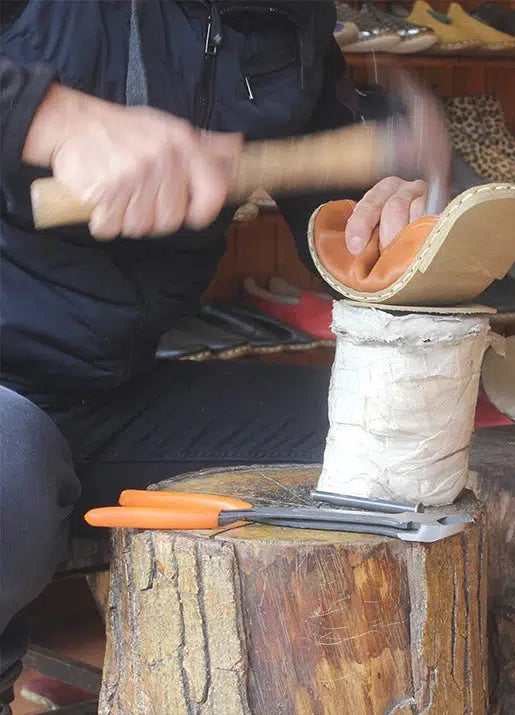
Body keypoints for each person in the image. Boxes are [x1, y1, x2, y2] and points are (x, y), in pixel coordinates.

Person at [0, 1, 429, 708]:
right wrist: (51, 115)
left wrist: (378, 223)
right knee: (10, 464)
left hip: (107, 395)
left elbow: (333, 203)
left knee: (395, 440)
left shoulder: (290, 20)